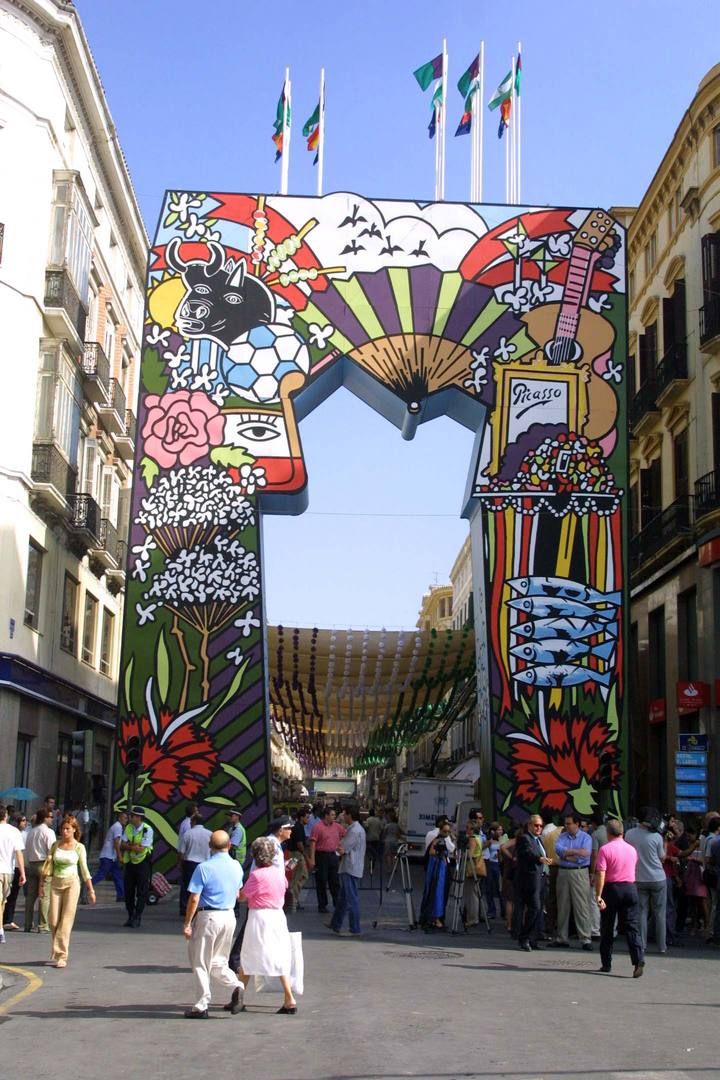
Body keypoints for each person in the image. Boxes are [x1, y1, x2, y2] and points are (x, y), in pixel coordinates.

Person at [182, 829, 245, 1019]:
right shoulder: (236, 866)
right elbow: (237, 893)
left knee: (201, 961)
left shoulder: (204, 868)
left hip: (209, 916)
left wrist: (187, 923)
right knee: (218, 960)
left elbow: (194, 898)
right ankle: (237, 985)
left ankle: (202, 1005)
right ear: (229, 845)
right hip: (229, 915)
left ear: (210, 846)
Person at [234, 837, 298, 1014]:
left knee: (248, 956)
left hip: (259, 917)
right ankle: (289, 997)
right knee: (278, 957)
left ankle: (238, 996)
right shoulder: (279, 874)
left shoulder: (256, 876)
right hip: (277, 916)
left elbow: (242, 897)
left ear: (255, 857)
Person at [39, 815, 95, 967]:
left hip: (72, 884)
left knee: (66, 920)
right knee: (52, 920)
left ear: (74, 830)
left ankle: (61, 955)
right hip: (56, 883)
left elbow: (84, 869)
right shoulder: (56, 845)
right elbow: (46, 868)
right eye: (63, 829)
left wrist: (90, 889)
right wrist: (41, 886)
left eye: (68, 829)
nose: (64, 832)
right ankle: (57, 949)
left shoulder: (79, 847)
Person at [594, 817, 644, 977]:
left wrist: (599, 895)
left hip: (612, 888)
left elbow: (601, 873)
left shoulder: (605, 849)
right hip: (630, 887)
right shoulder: (631, 849)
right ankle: (638, 959)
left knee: (608, 927)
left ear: (608, 833)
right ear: (622, 832)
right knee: (632, 926)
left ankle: (606, 963)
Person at [626, 808, 667, 953]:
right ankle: (662, 946)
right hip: (658, 878)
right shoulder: (656, 836)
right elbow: (662, 857)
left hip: (638, 878)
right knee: (660, 912)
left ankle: (642, 944)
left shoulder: (629, 834)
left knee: (642, 912)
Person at [553, 813, 593, 950]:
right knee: (563, 905)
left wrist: (567, 854)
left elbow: (585, 855)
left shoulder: (586, 838)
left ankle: (585, 938)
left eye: (569, 823)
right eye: (566, 823)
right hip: (564, 872)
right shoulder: (562, 836)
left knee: (581, 905)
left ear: (577, 824)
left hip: (579, 872)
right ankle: (561, 937)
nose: (567, 826)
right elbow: (558, 850)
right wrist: (575, 853)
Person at [329, 803, 367, 935]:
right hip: (350, 866)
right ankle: (335, 923)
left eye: (344, 814)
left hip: (350, 867)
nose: (343, 816)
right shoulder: (355, 829)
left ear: (350, 815)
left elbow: (342, 848)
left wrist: (338, 848)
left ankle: (354, 927)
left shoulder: (355, 830)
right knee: (344, 898)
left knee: (351, 899)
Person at [515, 814, 551, 952]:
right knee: (534, 908)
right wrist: (539, 859)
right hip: (530, 879)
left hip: (541, 878)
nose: (538, 828)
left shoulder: (539, 840)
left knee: (539, 909)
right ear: (529, 825)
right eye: (536, 825)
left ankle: (533, 939)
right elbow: (527, 853)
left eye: (541, 825)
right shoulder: (525, 838)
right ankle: (523, 937)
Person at [120, 806, 153, 928]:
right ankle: (130, 915)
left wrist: (130, 845)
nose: (130, 818)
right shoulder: (128, 827)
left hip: (142, 863)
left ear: (138, 817)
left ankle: (137, 916)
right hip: (129, 862)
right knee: (128, 890)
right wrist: (131, 846)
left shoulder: (147, 830)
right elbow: (122, 844)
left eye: (132, 816)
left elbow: (142, 848)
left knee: (142, 891)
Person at [419, 818, 455, 929]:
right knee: (436, 893)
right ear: (440, 830)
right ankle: (435, 918)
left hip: (441, 869)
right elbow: (431, 852)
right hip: (437, 869)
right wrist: (440, 852)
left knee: (439, 893)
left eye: (448, 832)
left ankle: (436, 918)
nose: (447, 834)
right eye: (445, 831)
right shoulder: (437, 839)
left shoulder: (442, 839)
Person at [24, 808, 56, 933]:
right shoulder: (48, 832)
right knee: (44, 895)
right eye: (51, 817)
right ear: (45, 818)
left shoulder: (31, 832)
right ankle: (43, 925)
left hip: (31, 864)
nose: (52, 819)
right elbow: (51, 850)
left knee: (30, 896)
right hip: (44, 864)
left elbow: (26, 849)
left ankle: (28, 923)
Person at [309, 806, 345, 913]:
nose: (334, 817)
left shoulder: (337, 826)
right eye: (332, 815)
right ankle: (322, 905)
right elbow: (312, 843)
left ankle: (337, 902)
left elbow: (345, 835)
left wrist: (341, 847)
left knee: (335, 881)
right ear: (326, 816)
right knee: (321, 881)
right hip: (321, 856)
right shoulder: (318, 827)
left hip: (333, 856)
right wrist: (312, 859)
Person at [0, 805, 26, 944]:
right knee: (2, 901)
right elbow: (18, 852)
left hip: (4, 870)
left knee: (2, 901)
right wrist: (22, 872)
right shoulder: (14, 831)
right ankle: (0, 930)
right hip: (8, 871)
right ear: (6, 816)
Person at [178, 813, 212, 916]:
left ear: (194, 822)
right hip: (205, 863)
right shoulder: (210, 834)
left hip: (190, 863)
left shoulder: (188, 834)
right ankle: (201, 907)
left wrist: (179, 863)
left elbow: (182, 851)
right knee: (204, 887)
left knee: (188, 886)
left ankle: (185, 908)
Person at [91, 810, 127, 902]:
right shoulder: (118, 827)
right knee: (101, 874)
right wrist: (120, 856)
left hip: (111, 857)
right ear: (119, 818)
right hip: (108, 856)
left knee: (117, 875)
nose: (126, 820)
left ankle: (121, 895)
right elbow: (116, 842)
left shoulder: (117, 827)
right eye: (124, 818)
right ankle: (87, 886)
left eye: (126, 818)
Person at [463, 817, 486, 927]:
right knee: (475, 893)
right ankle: (474, 917)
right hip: (478, 867)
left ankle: (472, 918)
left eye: (467, 828)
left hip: (472, 868)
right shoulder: (479, 837)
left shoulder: (472, 838)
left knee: (471, 894)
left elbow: (470, 854)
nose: (466, 830)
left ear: (472, 829)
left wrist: (462, 854)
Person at [287, 807, 310, 913]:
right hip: (297, 855)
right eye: (307, 817)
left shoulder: (297, 827)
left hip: (294, 854)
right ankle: (293, 899)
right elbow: (299, 844)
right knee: (300, 876)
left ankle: (294, 897)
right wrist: (306, 856)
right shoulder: (299, 828)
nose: (308, 819)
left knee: (297, 876)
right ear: (301, 818)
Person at [363, 807, 383, 873]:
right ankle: (373, 861)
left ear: (369, 813)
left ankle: (371, 862)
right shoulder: (378, 820)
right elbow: (381, 828)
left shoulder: (368, 820)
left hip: (369, 838)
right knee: (374, 851)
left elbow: (366, 827)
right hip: (376, 838)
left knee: (370, 852)